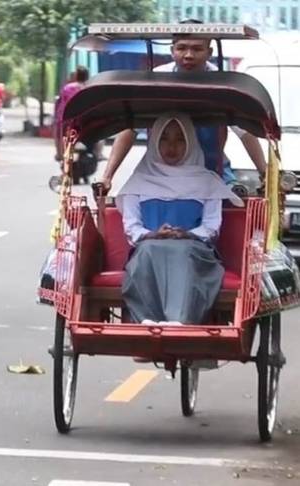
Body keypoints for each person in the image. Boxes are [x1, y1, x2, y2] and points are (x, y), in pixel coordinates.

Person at [99, 20, 267, 192]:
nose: (188, 55)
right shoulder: (155, 81)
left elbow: (245, 133)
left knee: (235, 199)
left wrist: (265, 174)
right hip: (160, 174)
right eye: (181, 48)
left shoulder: (224, 85)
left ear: (209, 52)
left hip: (212, 171)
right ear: (172, 51)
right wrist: (107, 177)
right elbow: (130, 128)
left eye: (197, 49)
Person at [118, 113, 243, 325]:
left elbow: (211, 226)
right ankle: (147, 319)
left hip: (195, 250)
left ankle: (181, 320)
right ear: (154, 141)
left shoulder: (208, 182)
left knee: (184, 251)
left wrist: (187, 235)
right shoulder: (138, 181)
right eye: (164, 138)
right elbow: (132, 227)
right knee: (147, 251)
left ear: (191, 142)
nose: (171, 146)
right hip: (149, 248)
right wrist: (153, 235)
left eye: (180, 139)